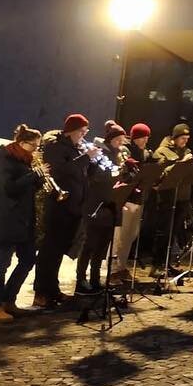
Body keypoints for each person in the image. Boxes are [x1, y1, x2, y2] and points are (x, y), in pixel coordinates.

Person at [33, 114, 102, 309]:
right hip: (59, 206)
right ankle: (41, 292)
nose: (84, 135)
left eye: (86, 131)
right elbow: (62, 170)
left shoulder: (77, 148)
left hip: (74, 206)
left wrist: (93, 162)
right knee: (50, 251)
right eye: (81, 131)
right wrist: (85, 158)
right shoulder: (55, 147)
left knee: (59, 252)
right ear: (70, 130)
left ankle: (53, 290)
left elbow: (83, 173)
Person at [0, 124, 45, 321]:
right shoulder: (4, 158)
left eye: (38, 146)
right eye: (33, 146)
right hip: (7, 218)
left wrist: (38, 181)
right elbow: (8, 188)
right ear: (21, 142)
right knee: (2, 262)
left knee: (28, 259)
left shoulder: (24, 159)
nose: (36, 150)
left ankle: (8, 299)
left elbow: (25, 189)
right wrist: (33, 176)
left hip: (23, 219)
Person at [75, 121, 128, 294]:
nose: (121, 143)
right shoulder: (99, 153)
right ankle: (81, 280)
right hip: (96, 204)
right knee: (90, 244)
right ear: (110, 139)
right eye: (118, 139)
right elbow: (94, 176)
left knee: (103, 246)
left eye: (122, 140)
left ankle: (96, 278)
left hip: (111, 205)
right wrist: (113, 173)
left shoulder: (119, 154)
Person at [149, 122, 193, 269]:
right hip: (167, 197)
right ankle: (157, 263)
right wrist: (182, 163)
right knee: (164, 231)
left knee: (175, 231)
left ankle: (168, 262)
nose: (185, 141)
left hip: (182, 197)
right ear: (174, 137)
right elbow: (160, 173)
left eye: (187, 138)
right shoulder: (162, 151)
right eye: (183, 138)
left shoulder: (186, 151)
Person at [109, 122, 151, 283]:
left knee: (131, 235)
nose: (144, 140)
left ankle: (122, 267)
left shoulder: (146, 153)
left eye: (146, 137)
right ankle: (113, 270)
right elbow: (123, 174)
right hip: (126, 198)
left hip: (139, 198)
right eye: (141, 137)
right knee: (120, 236)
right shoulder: (127, 151)